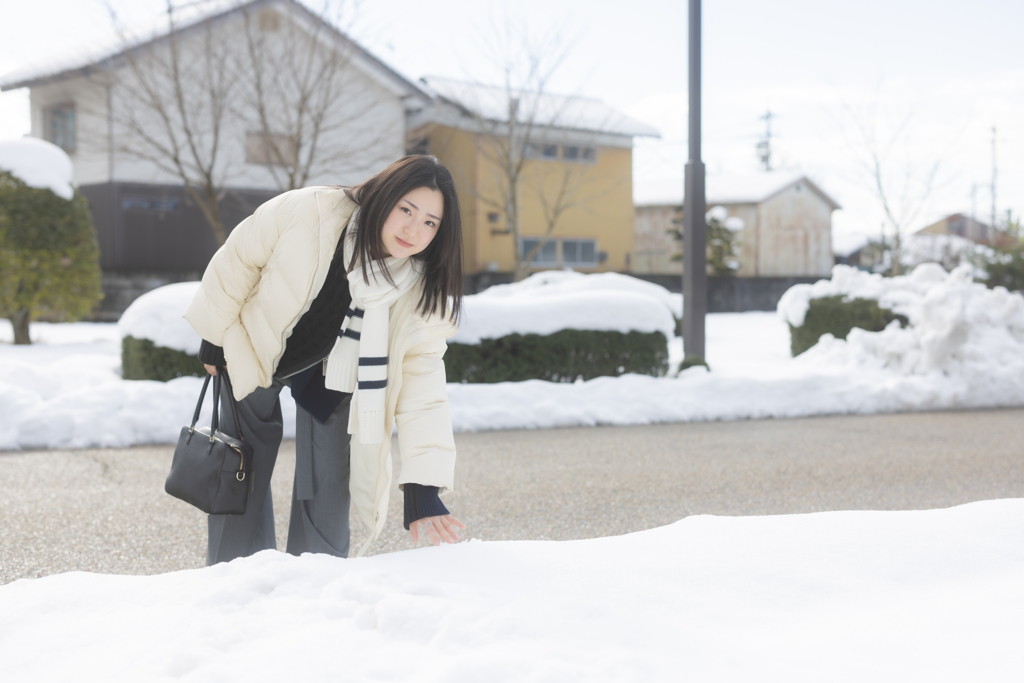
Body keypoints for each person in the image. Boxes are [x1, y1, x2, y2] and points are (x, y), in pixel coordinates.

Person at [183, 155, 467, 564]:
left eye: (430, 222)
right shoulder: (310, 210)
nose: (413, 229)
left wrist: (423, 487)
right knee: (237, 473)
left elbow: (423, 386)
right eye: (406, 210)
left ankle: (317, 585)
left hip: (339, 379)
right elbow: (239, 258)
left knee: (329, 492)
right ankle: (236, 575)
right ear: (383, 197)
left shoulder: (420, 289)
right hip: (259, 347)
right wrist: (214, 335)